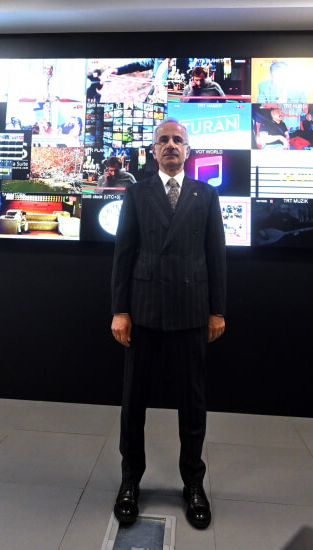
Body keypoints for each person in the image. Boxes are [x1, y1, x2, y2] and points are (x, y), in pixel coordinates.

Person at [110, 118, 226, 530]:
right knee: (133, 404)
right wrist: (120, 310)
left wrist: (217, 310)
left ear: (188, 151)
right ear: (154, 150)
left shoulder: (206, 195)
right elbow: (124, 254)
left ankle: (193, 484)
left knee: (192, 405)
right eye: (164, 140)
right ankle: (130, 482)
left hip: (191, 311)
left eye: (178, 140)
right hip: (144, 311)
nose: (171, 145)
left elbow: (216, 256)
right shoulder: (136, 193)